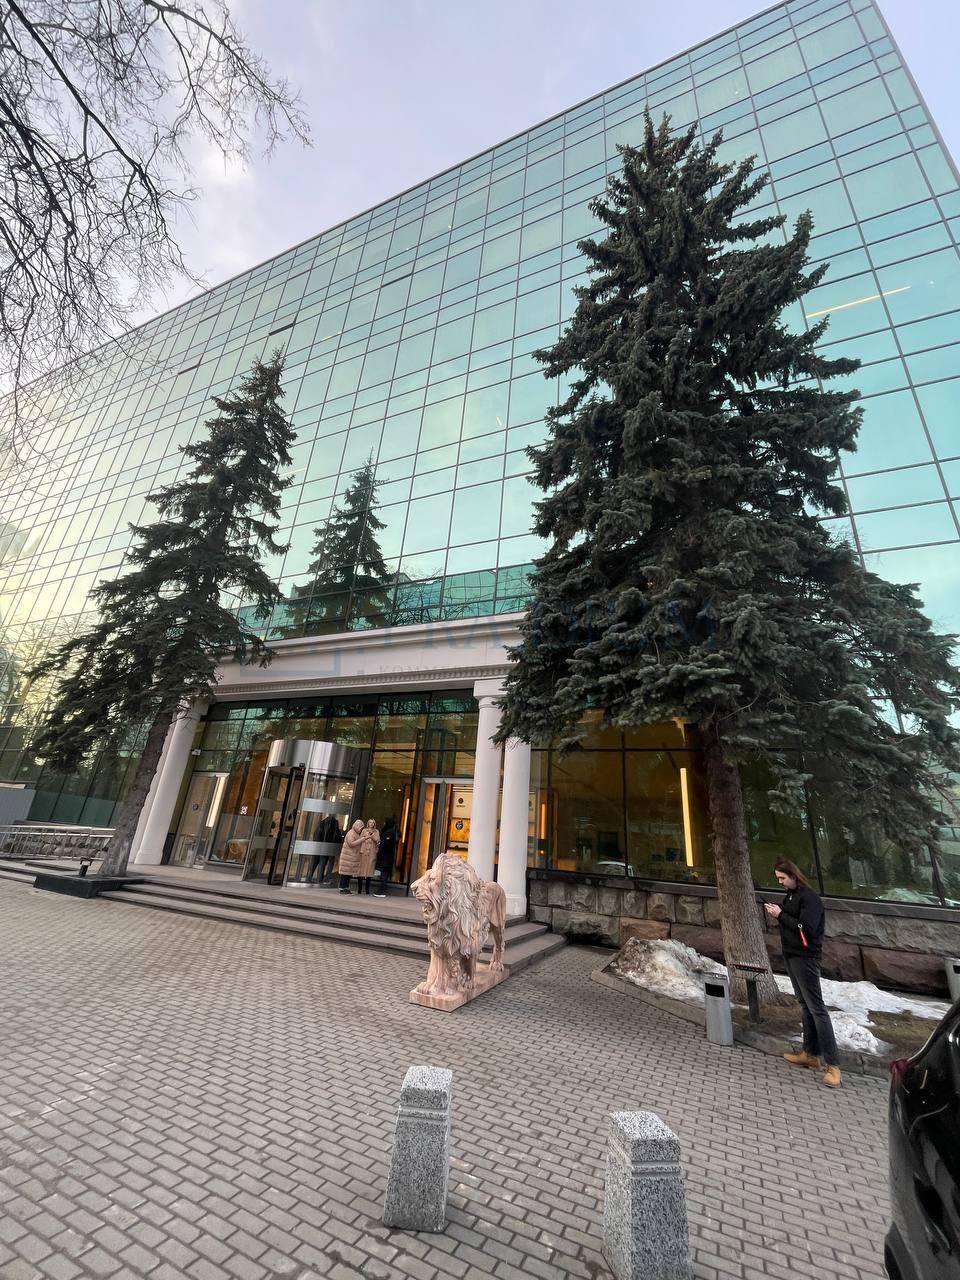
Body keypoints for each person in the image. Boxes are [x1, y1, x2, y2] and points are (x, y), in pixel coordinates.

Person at [765, 859, 841, 1089]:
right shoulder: (791, 896)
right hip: (791, 955)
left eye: (782, 878)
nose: (780, 882)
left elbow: (805, 928)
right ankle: (810, 1053)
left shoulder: (809, 899)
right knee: (805, 1005)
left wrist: (780, 915)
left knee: (816, 1008)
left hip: (805, 958)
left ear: (793, 875)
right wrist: (778, 913)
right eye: (778, 878)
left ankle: (833, 1066)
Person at [338, 819, 364, 894]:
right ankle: (342, 888)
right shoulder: (351, 833)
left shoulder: (355, 833)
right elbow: (351, 844)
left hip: (351, 857)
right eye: (360, 828)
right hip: (347, 857)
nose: (361, 830)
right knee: (345, 874)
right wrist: (361, 839)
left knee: (348, 874)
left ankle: (346, 887)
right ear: (357, 826)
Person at [374, 817, 398, 897]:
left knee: (384, 874)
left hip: (386, 857)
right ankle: (382, 890)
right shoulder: (391, 832)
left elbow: (385, 845)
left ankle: (382, 891)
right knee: (384, 874)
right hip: (387, 857)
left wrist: (379, 852)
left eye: (385, 822)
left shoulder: (389, 832)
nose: (384, 823)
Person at [358, 818, 380, 896]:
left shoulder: (376, 831)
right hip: (363, 853)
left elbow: (378, 841)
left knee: (369, 872)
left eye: (373, 822)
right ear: (368, 823)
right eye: (370, 822)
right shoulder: (364, 830)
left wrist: (372, 836)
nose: (371, 824)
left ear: (374, 824)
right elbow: (360, 840)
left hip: (371, 854)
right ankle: (359, 889)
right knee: (361, 871)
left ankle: (367, 890)